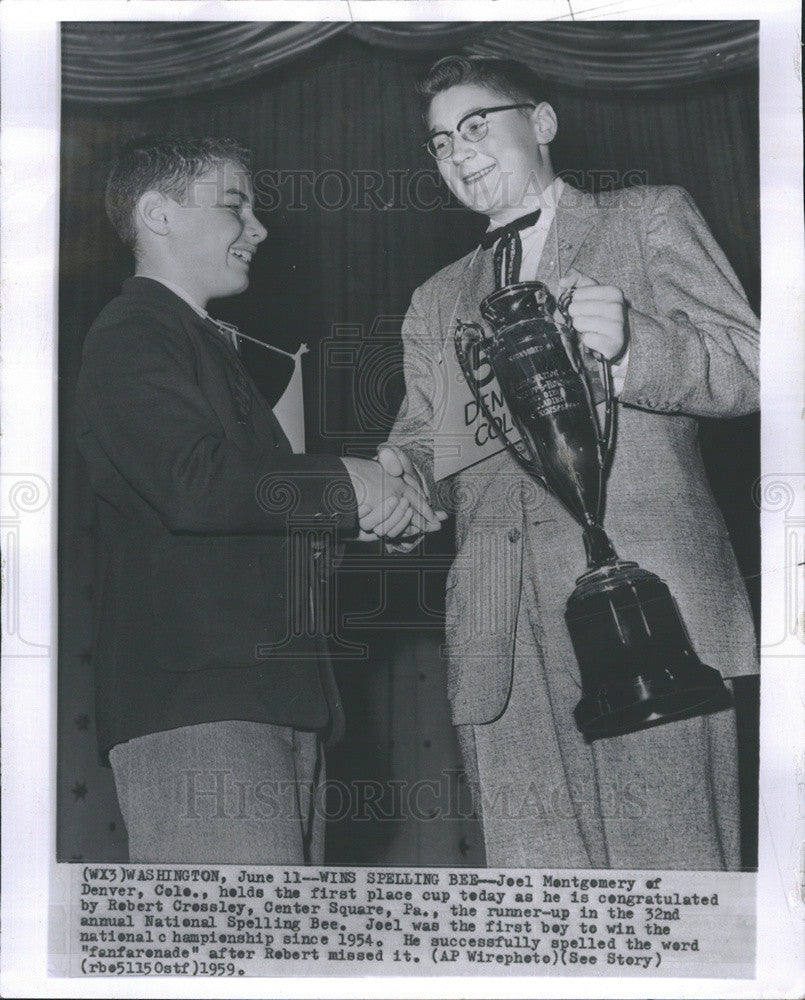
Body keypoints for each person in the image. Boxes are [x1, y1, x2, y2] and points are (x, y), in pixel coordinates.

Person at [376, 57, 759, 869]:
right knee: (543, 909)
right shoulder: (435, 299)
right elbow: (427, 443)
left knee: (674, 895)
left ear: (541, 122)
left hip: (650, 616)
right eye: (440, 142)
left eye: (476, 126)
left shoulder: (646, 217)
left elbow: (754, 366)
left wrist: (633, 347)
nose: (458, 152)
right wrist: (394, 478)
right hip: (499, 639)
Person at [75, 135, 443, 864]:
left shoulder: (203, 346)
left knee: (273, 966)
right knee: (236, 961)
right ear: (159, 215)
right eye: (235, 205)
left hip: (269, 704)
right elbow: (193, 482)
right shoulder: (133, 331)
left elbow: (238, 516)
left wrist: (368, 514)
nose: (261, 229)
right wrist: (349, 483)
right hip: (203, 713)